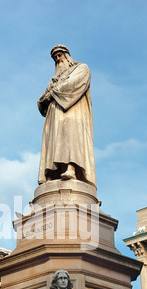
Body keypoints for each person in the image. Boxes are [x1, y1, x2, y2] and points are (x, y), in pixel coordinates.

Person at [37, 45, 96, 187]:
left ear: (67, 55)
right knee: (54, 140)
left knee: (71, 137)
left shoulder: (81, 68)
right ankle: (53, 173)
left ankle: (72, 168)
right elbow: (41, 99)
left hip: (73, 111)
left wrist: (52, 94)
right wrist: (45, 98)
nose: (58, 59)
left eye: (60, 56)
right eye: (55, 58)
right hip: (54, 115)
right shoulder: (54, 79)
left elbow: (73, 84)